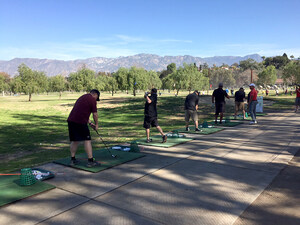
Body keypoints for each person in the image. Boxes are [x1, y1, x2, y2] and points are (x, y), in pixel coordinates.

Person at [67, 89, 100, 167]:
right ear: (95, 94)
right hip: (80, 122)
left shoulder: (82, 97)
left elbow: (81, 111)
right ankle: (90, 161)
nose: (96, 99)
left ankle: (73, 159)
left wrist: (90, 123)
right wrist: (97, 125)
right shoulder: (92, 99)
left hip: (71, 121)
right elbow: (95, 114)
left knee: (75, 140)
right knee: (87, 140)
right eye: (97, 97)